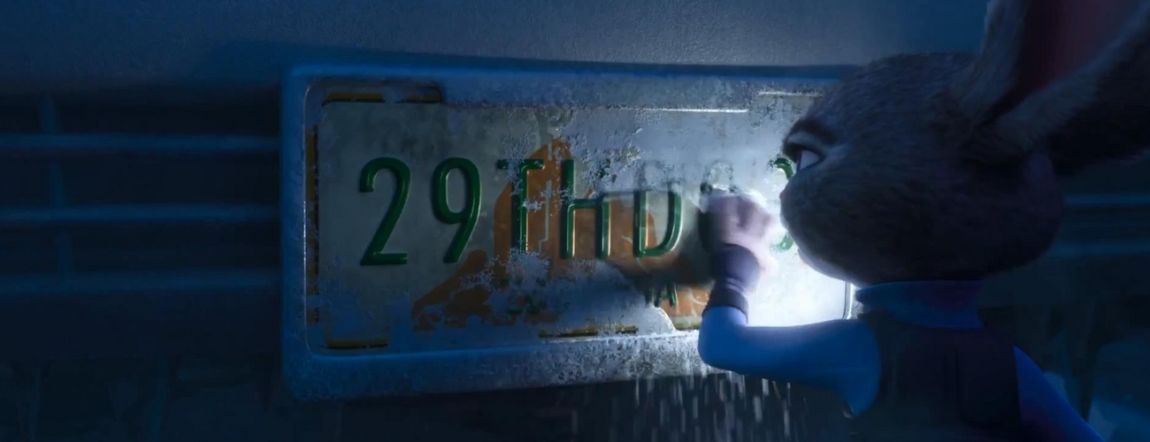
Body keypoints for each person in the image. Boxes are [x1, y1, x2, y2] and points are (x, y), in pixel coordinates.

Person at [696, 0, 1150, 440]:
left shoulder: (863, 351)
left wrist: (738, 264)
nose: (786, 192)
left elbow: (722, 346)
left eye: (809, 159)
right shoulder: (1011, 367)